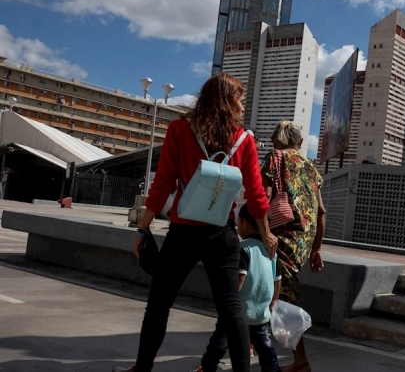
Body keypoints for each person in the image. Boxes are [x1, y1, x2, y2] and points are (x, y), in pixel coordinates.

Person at [115, 73, 277, 372]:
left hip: (183, 232)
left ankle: (142, 369)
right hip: (221, 232)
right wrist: (265, 234)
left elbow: (162, 183)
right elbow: (256, 197)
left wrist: (143, 227)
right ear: (228, 102)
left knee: (160, 304)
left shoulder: (180, 129)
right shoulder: (243, 140)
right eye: (239, 99)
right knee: (231, 308)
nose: (242, 104)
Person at [261, 121, 326, 372]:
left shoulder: (275, 157)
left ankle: (301, 362)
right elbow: (321, 212)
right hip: (303, 242)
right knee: (275, 293)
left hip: (281, 238)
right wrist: (316, 249)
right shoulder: (310, 165)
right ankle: (251, 343)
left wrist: (262, 232)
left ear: (276, 140)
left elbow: (264, 199)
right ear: (299, 142)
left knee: (282, 299)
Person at [193, 203, 281, 372]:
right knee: (264, 345)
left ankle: (207, 367)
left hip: (238, 312)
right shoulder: (272, 251)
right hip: (261, 311)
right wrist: (274, 300)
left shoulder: (242, 249)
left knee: (220, 342)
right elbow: (277, 280)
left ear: (243, 222)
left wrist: (228, 300)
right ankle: (272, 368)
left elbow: (239, 278)